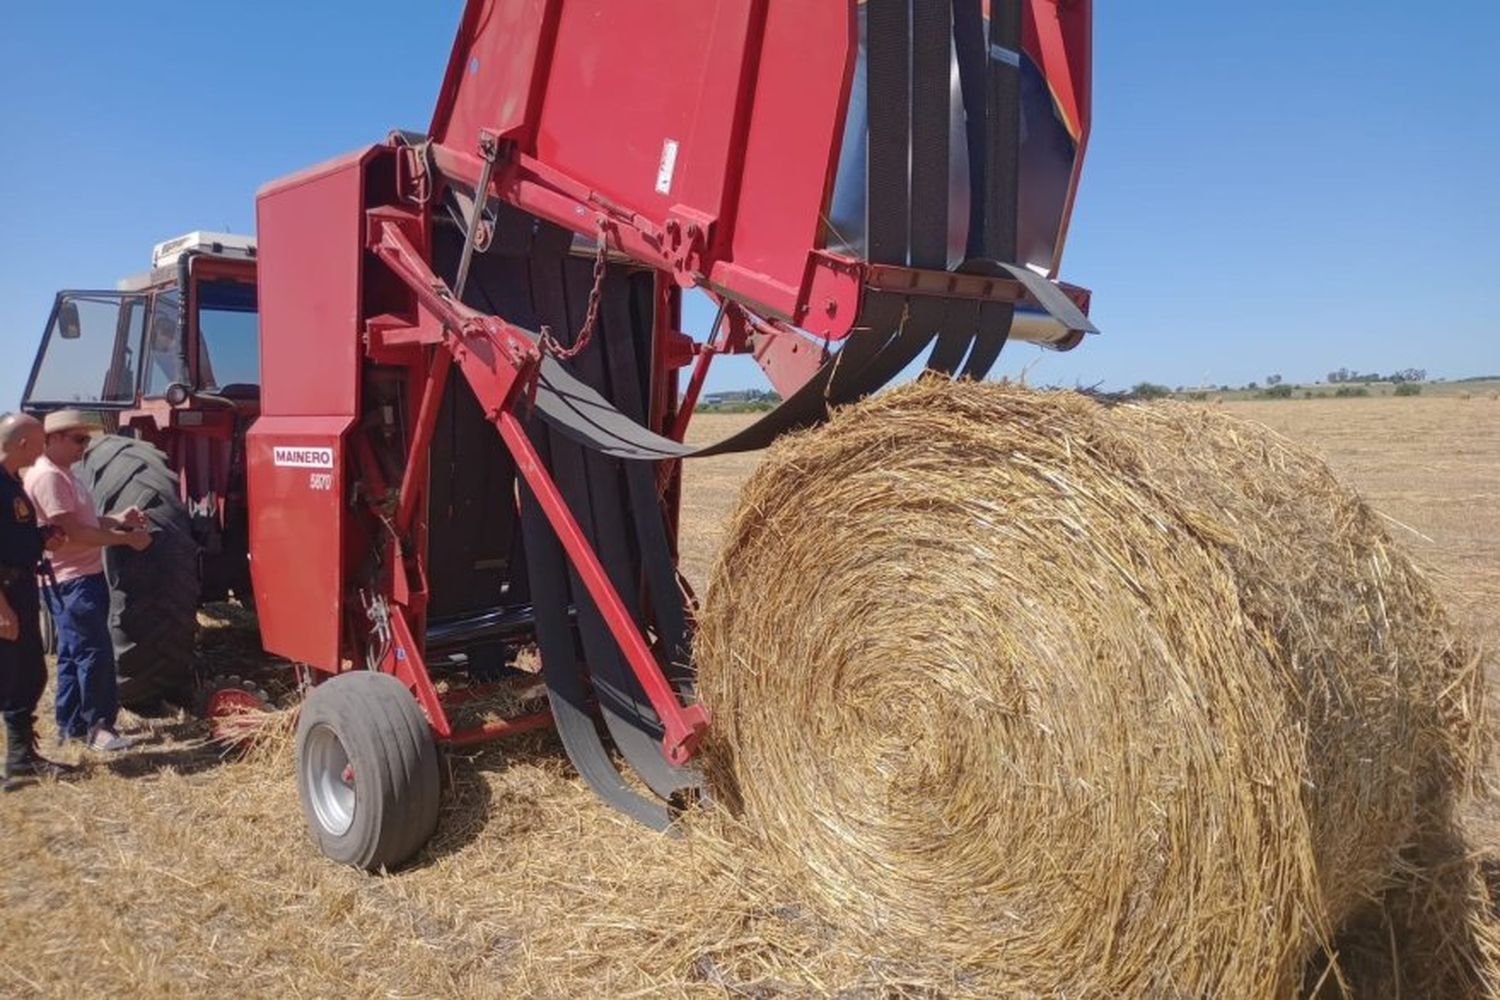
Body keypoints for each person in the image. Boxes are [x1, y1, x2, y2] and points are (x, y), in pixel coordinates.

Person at [23, 409, 152, 753]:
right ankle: (100, 727)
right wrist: (128, 539)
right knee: (94, 653)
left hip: (74, 579)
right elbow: (74, 533)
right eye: (78, 439)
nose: (85, 446)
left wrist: (117, 520)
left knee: (71, 653)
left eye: (87, 439)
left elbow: (85, 521)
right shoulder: (49, 478)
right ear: (53, 440)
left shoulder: (64, 474)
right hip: (73, 581)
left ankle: (72, 725)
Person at [0, 413, 74, 788]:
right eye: (40, 440)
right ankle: (17, 763)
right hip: (6, 594)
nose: (45, 446)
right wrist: (2, 609)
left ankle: (23, 757)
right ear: (23, 443)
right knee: (13, 676)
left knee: (30, 672)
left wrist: (42, 537)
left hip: (22, 587)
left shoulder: (14, 482)